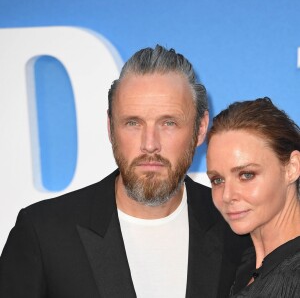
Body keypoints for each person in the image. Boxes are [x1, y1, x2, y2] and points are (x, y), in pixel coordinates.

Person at [0, 45, 250, 298]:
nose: (150, 144)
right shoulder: (44, 232)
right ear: (110, 128)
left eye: (169, 123)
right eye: (133, 123)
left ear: (200, 129)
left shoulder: (237, 226)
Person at [206, 97, 300, 297]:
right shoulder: (238, 265)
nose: (228, 195)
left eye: (247, 175)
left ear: (292, 168)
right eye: (217, 180)